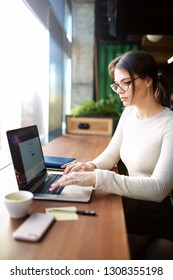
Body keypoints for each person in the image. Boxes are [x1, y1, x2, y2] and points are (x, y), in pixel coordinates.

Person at [49, 50, 173, 259]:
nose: (119, 91)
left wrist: (99, 178)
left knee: (103, 254)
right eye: (117, 85)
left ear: (148, 81)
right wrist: (92, 166)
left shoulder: (169, 124)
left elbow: (159, 189)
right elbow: (112, 153)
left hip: (158, 213)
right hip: (133, 202)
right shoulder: (128, 113)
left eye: (125, 83)